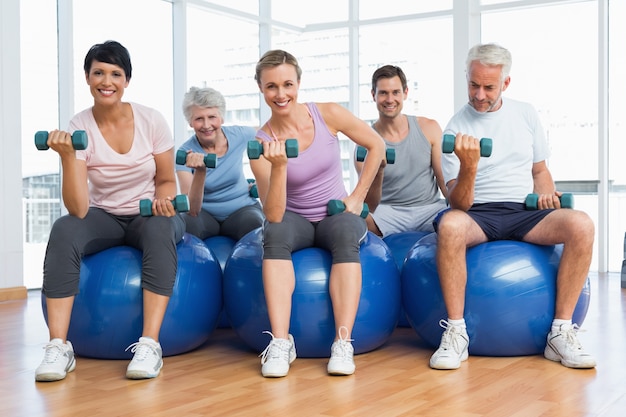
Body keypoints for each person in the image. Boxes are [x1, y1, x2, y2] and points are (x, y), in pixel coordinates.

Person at [430, 43, 596, 370]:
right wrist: (470, 167)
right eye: (473, 85)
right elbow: (457, 203)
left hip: (525, 212)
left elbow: (539, 171)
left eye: (488, 87)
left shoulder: (525, 113)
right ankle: (456, 333)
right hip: (477, 215)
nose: (479, 94)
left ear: (505, 83)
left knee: (582, 224)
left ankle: (560, 332)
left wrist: (546, 196)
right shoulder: (455, 128)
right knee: (449, 225)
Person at [35, 40, 186, 382]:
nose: (107, 81)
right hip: (104, 215)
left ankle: (149, 345)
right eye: (99, 72)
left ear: (127, 80)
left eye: (116, 74)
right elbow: (78, 208)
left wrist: (163, 201)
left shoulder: (151, 120)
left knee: (161, 229)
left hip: (149, 213)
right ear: (88, 78)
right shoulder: (78, 127)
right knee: (63, 228)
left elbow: (166, 180)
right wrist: (66, 158)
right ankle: (58, 346)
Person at [250, 49, 385, 378]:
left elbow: (376, 144)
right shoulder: (262, 142)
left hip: (334, 213)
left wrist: (357, 196)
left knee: (344, 234)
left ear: (298, 83)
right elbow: (274, 212)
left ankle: (342, 343)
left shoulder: (328, 114)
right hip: (293, 218)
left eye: (287, 84)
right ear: (261, 88)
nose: (281, 94)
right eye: (271, 87)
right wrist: (279, 166)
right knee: (275, 233)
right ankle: (281, 343)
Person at [355, 65, 448, 237]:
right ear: (373, 95)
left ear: (405, 93)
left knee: (457, 218)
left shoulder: (429, 128)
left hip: (429, 209)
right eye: (383, 93)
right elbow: (369, 202)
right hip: (387, 212)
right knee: (357, 220)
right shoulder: (364, 142)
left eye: (395, 92)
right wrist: (379, 170)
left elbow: (445, 183)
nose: (390, 99)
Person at [176, 86, 264, 242]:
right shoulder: (185, 155)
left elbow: (272, 137)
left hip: (242, 209)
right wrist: (200, 171)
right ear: (190, 122)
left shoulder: (241, 135)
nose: (206, 125)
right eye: (198, 119)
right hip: (204, 214)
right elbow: (192, 209)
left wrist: (264, 180)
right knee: (186, 225)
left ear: (222, 118)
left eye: (212, 117)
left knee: (255, 225)